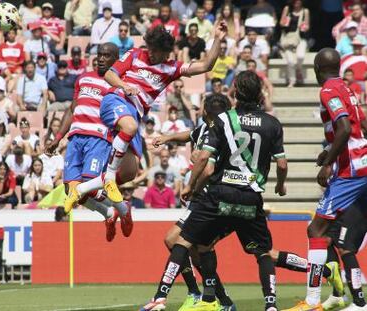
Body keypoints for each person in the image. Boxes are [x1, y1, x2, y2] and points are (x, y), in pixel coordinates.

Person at [141, 81, 288, 310]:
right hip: (234, 195)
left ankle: (199, 297)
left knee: (184, 242)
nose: (199, 113)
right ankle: (216, 298)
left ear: (207, 113)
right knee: (200, 246)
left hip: (214, 196)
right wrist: (167, 138)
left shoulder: (220, 127)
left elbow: (208, 167)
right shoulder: (207, 128)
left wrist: (192, 181)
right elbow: (189, 135)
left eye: (202, 110)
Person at [65, 23, 227, 209]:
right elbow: (110, 74)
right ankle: (107, 180)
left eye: (155, 51)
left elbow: (206, 65)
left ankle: (93, 194)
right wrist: (124, 86)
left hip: (133, 114)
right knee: (130, 128)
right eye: (150, 48)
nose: (150, 53)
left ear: (165, 53)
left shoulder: (171, 68)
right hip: (115, 101)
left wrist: (217, 38)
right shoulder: (134, 54)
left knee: (129, 172)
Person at [285, 48, 367, 311]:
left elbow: (344, 127)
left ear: (317, 69)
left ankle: (311, 301)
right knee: (338, 239)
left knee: (316, 230)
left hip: (350, 171)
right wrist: (330, 150)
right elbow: (359, 126)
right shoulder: (348, 89)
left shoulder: (328, 90)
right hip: (361, 162)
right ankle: (348, 298)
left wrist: (330, 162)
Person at [45, 43, 133, 242]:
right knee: (71, 190)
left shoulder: (119, 83)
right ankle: (109, 214)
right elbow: (72, 109)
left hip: (98, 139)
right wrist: (57, 138)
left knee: (89, 185)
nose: (101, 58)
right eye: (99, 54)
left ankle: (123, 208)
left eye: (106, 55)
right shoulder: (83, 78)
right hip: (75, 137)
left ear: (116, 60)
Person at [279, 0, 310, 87]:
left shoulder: (305, 11)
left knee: (300, 56)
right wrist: (285, 22)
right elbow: (281, 23)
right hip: (288, 38)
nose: (297, 2)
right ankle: (292, 80)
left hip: (300, 38)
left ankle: (298, 70)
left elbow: (307, 26)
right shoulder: (287, 9)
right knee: (291, 61)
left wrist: (303, 27)